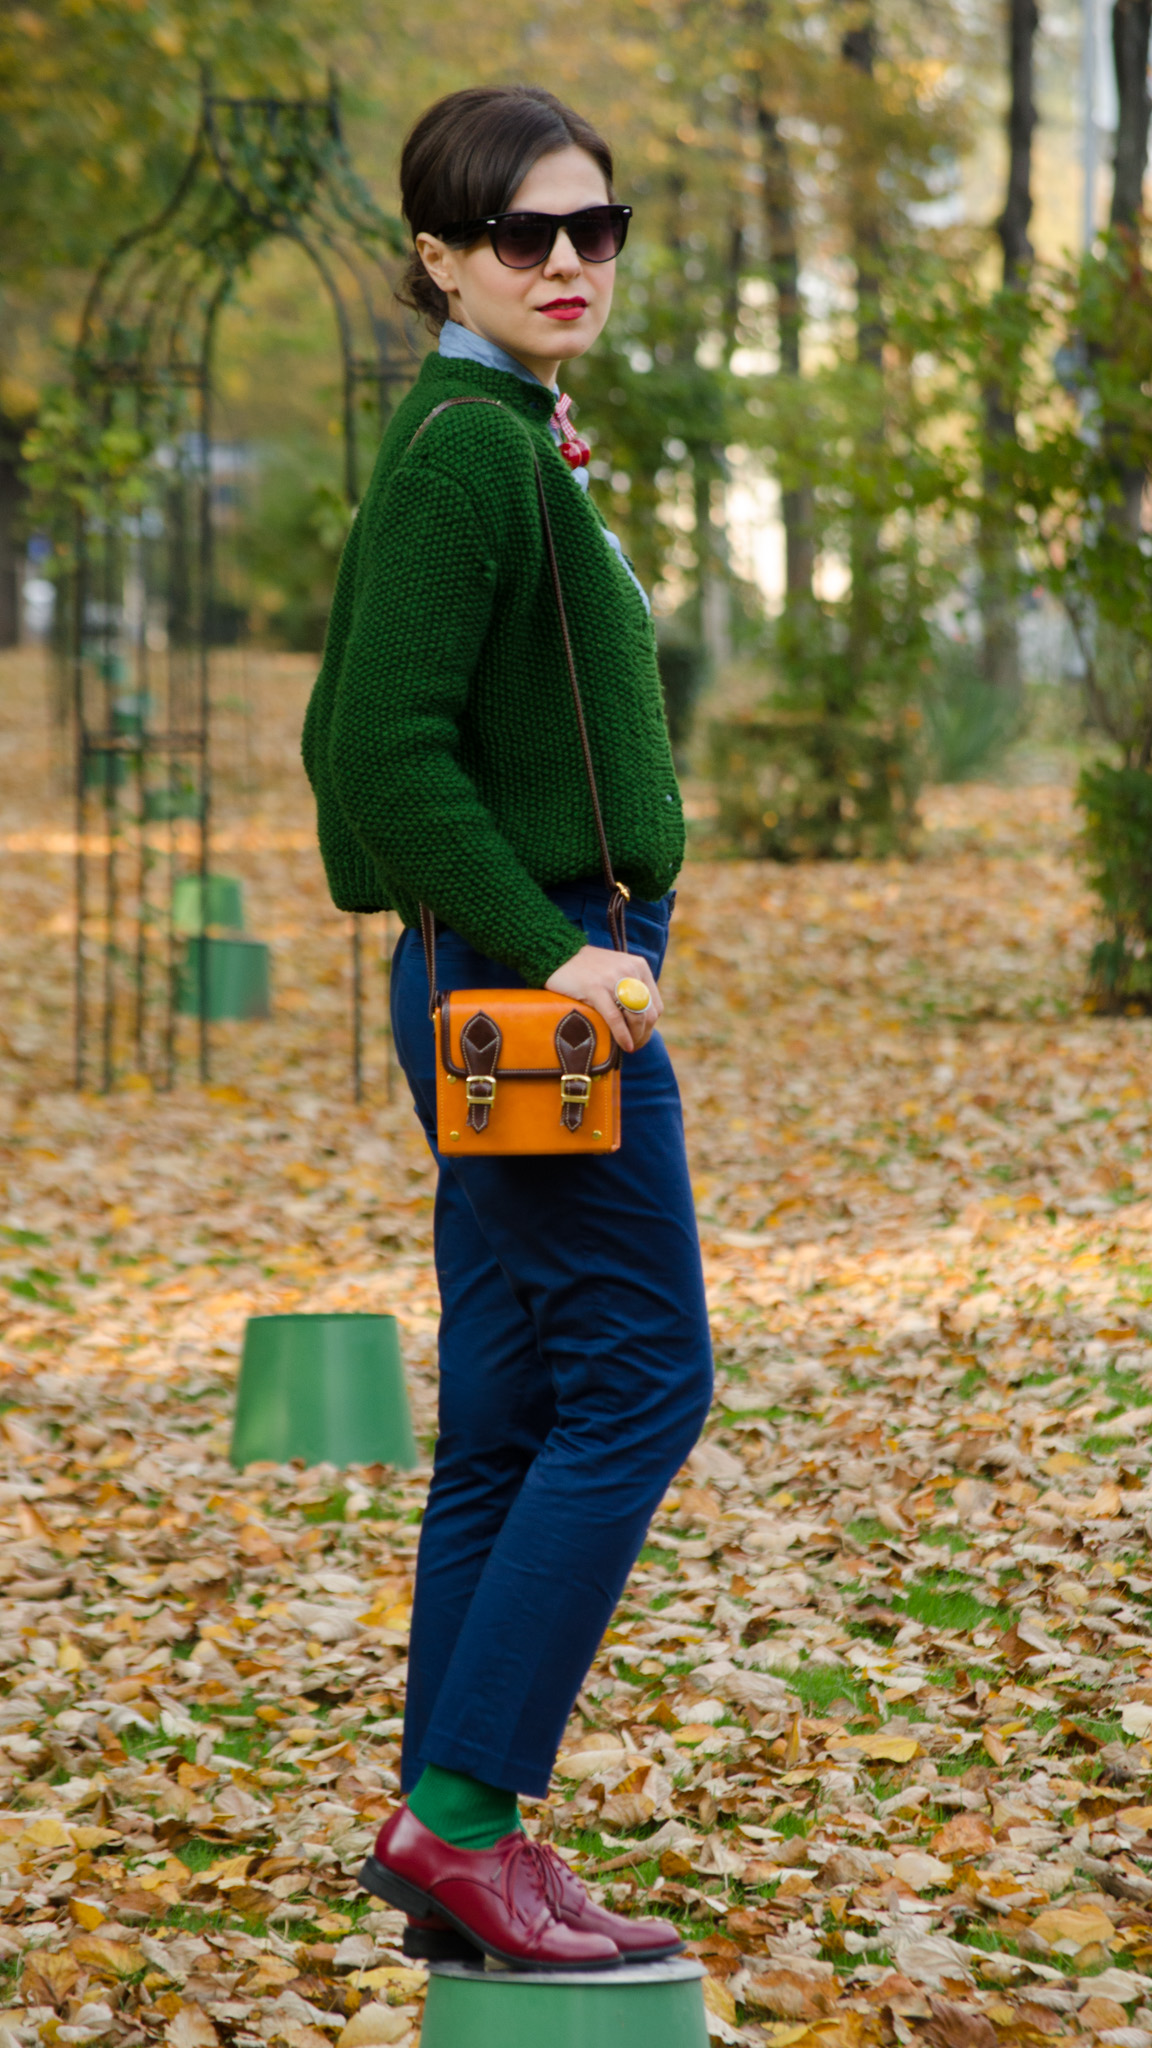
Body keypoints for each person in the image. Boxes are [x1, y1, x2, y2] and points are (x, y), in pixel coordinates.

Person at [302, 82, 713, 1972]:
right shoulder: (469, 449)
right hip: (530, 991)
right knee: (643, 1380)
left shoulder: (502, 432)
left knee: (518, 1416)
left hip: (517, 970)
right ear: (440, 255)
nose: (567, 263)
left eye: (594, 230)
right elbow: (371, 751)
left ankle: (445, 1830)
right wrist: (555, 949)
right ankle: (465, 1819)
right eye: (523, 234)